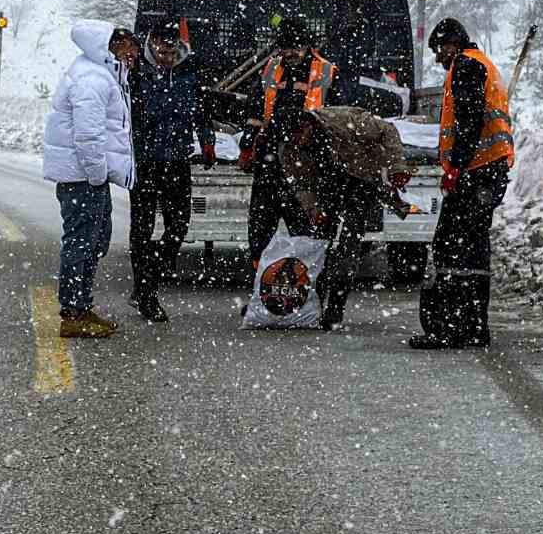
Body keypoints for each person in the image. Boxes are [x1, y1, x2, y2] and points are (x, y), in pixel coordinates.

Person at [409, 17, 514, 349]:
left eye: (440, 51)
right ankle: (474, 327)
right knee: (474, 251)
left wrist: (455, 166)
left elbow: (468, 121)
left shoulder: (467, 67)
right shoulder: (484, 65)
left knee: (450, 248)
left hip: (475, 172)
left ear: (452, 44)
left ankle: (448, 328)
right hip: (489, 172)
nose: (439, 59)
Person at [42, 19, 139, 338]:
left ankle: (81, 306)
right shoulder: (92, 78)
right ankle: (72, 313)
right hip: (83, 177)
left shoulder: (100, 73)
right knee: (82, 242)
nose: (133, 54)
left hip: (87, 177)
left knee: (94, 240)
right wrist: (98, 175)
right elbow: (87, 135)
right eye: (129, 47)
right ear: (112, 45)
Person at [279, 106, 416, 330]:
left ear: (308, 126)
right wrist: (313, 209)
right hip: (326, 191)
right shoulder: (290, 146)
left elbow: (388, 131)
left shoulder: (344, 122)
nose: (297, 142)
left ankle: (335, 308)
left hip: (359, 185)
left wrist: (396, 167)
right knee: (319, 250)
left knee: (347, 251)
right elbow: (301, 182)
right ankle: (312, 306)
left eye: (298, 136)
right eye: (291, 139)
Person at [127, 21, 215, 323]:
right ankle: (146, 294)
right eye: (161, 52)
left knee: (179, 225)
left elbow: (200, 111)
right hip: (145, 161)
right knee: (142, 229)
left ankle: (151, 271)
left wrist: (207, 142)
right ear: (152, 44)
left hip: (177, 159)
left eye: (171, 51)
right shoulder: (136, 71)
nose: (166, 57)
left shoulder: (188, 71)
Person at [238, 16, 339, 268]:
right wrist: (247, 146)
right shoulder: (272, 68)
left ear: (308, 46)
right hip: (270, 158)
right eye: (286, 46)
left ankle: (303, 282)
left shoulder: (326, 71)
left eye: (296, 46)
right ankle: (261, 280)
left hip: (307, 161)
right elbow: (255, 110)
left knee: (305, 228)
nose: (291, 52)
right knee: (260, 225)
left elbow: (336, 117)